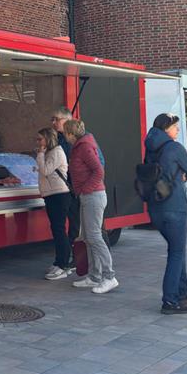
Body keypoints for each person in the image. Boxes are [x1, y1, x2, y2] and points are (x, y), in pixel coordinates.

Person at [144, 114, 187, 315]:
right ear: (167, 128)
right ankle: (170, 300)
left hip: (155, 207)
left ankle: (182, 289)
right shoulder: (174, 148)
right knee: (176, 253)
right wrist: (183, 175)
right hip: (174, 206)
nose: (178, 131)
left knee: (177, 248)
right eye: (176, 127)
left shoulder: (150, 148)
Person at [64, 119, 118, 294]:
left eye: (65, 133)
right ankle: (94, 276)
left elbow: (99, 170)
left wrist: (85, 189)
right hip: (88, 196)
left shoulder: (85, 147)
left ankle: (109, 277)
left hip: (93, 196)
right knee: (88, 236)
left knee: (94, 237)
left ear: (71, 134)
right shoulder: (80, 146)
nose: (65, 137)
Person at [36, 127, 72, 280]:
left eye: (40, 139)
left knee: (59, 230)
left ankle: (63, 265)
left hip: (59, 195)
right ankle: (59, 262)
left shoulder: (56, 152)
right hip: (51, 194)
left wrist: (40, 153)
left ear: (47, 139)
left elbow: (45, 170)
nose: (38, 142)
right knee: (56, 229)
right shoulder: (51, 152)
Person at [51, 107, 78, 257]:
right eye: (52, 119)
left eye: (57, 119)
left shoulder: (76, 140)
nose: (53, 122)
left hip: (74, 187)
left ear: (67, 120)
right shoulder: (57, 139)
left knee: (76, 224)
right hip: (65, 187)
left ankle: (75, 258)